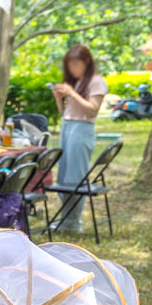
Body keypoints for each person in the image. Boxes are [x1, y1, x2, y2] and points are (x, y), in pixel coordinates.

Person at [51, 45, 108, 233]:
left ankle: (73, 223)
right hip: (67, 127)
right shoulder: (75, 82)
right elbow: (65, 112)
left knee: (75, 177)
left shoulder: (96, 81)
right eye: (70, 65)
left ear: (87, 62)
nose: (73, 68)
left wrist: (72, 93)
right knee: (63, 177)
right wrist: (59, 98)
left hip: (82, 129)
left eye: (76, 64)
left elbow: (93, 109)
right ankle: (66, 219)